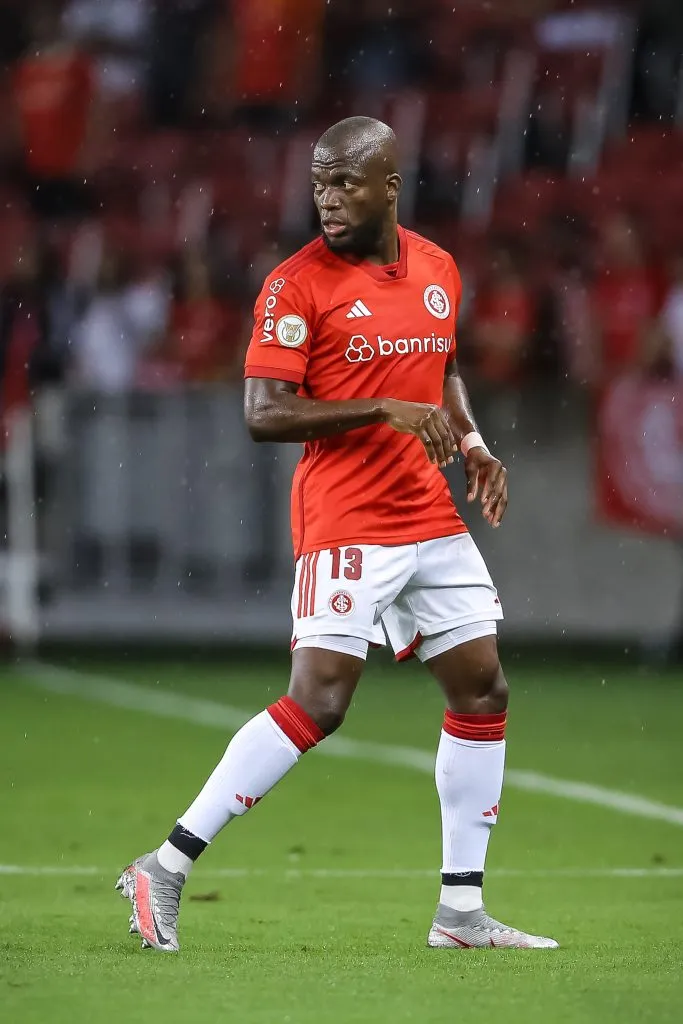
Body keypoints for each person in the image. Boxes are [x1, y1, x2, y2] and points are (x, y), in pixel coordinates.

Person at [116, 116, 559, 953]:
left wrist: (469, 441)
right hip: (348, 519)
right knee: (318, 703)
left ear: (389, 187)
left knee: (482, 690)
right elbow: (262, 415)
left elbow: (444, 364)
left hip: (429, 514)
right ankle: (164, 865)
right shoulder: (295, 286)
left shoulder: (436, 267)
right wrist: (380, 407)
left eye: (345, 182)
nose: (326, 198)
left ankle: (460, 914)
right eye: (318, 182)